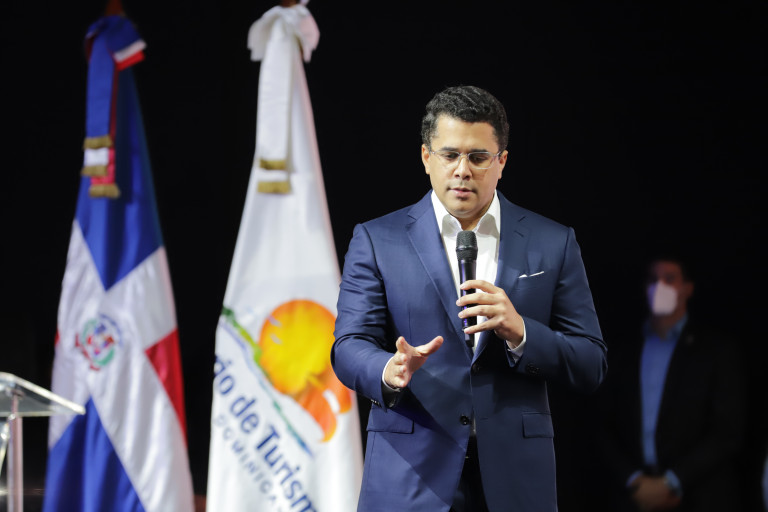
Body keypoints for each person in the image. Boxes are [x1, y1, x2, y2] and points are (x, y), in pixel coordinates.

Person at [331, 85, 607, 511]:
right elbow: (348, 347)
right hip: (410, 478)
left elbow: (591, 362)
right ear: (426, 157)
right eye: (450, 155)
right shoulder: (377, 239)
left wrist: (522, 333)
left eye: (478, 157)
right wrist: (389, 368)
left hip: (516, 482)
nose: (462, 170)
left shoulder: (553, 241)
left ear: (502, 162)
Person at [597, 255, 747, 511]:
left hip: (698, 496)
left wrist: (672, 481)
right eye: (653, 279)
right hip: (635, 496)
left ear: (687, 288)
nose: (660, 287)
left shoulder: (716, 351)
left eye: (669, 279)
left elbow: (727, 431)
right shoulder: (623, 351)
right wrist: (634, 480)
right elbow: (601, 423)